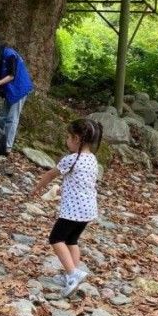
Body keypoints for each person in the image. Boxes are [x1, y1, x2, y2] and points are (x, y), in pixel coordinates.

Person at [31, 119, 102, 297]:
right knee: (71, 241)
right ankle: (72, 272)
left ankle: (72, 274)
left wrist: (37, 188)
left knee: (56, 239)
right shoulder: (92, 159)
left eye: (68, 137)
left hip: (73, 210)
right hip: (88, 209)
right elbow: (82, 182)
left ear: (77, 139)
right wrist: (63, 189)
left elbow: (50, 174)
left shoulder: (71, 159)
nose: (67, 140)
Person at [0, 37, 34, 155]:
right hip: (10, 90)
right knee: (2, 116)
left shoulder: (10, 55)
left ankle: (7, 147)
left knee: (12, 118)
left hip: (19, 89)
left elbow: (11, 76)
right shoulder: (0, 57)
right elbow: (1, 75)